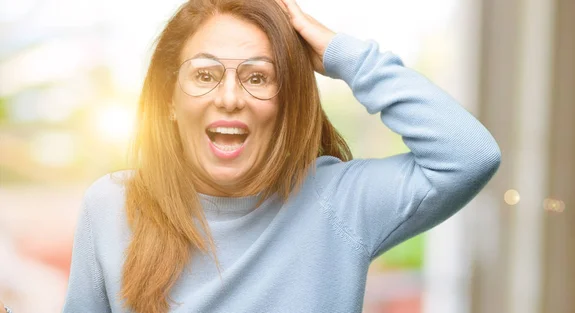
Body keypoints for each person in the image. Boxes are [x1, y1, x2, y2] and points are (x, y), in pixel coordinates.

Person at [59, 0, 501, 312]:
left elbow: (469, 154)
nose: (230, 98)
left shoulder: (339, 201)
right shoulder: (112, 206)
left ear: (286, 102)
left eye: (257, 77)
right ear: (169, 101)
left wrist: (342, 55)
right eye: (206, 74)